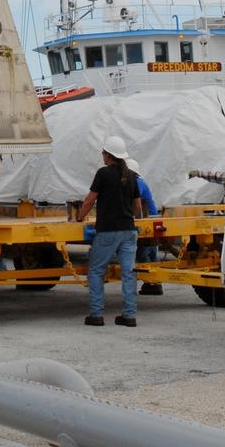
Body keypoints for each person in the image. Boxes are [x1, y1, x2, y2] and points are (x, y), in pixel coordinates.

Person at [75, 136, 141, 328]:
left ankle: (96, 315)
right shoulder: (131, 176)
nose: (102, 156)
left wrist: (80, 218)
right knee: (128, 273)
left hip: (108, 230)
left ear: (108, 155)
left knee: (96, 271)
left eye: (103, 153)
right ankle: (129, 316)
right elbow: (137, 208)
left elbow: (89, 200)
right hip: (129, 230)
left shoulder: (103, 174)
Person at [127, 159, 162, 297]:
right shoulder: (139, 181)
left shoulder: (137, 182)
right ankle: (154, 283)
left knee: (144, 252)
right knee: (151, 252)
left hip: (147, 221)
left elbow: (133, 199)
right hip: (151, 219)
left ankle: (152, 281)